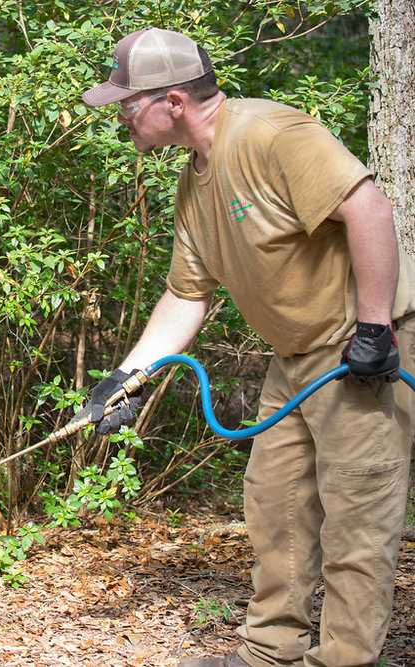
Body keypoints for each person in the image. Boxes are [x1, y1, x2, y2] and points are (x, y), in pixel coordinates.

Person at [76, 27, 415, 667]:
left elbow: (370, 211)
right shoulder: (193, 182)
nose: (120, 114)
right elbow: (186, 295)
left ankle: (344, 660)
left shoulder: (268, 134)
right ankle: (271, 651)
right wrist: (126, 378)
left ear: (172, 101)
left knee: (356, 514)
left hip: (362, 343)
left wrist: (375, 329)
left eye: (127, 101)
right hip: (295, 356)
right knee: (275, 502)